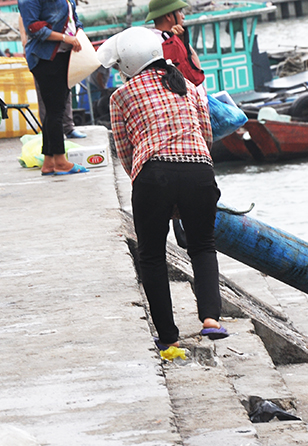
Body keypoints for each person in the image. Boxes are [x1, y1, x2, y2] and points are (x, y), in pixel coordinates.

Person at [105, 27, 227, 349]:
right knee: (202, 245)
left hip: (153, 173)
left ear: (129, 64)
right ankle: (211, 319)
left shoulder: (121, 96)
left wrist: (151, 186)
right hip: (200, 170)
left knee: (152, 255)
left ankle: (168, 337)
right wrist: (193, 173)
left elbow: (125, 151)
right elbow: (206, 136)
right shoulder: (187, 86)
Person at [18, 0, 89, 176]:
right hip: (46, 59)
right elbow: (34, 28)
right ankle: (60, 160)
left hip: (64, 57)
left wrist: (78, 35)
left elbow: (74, 19)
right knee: (55, 110)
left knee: (53, 111)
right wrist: (66, 38)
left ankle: (49, 162)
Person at [17, 13, 86, 140]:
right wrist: (24, 41)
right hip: (43, 50)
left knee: (65, 89)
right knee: (45, 95)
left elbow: (73, 16)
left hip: (64, 50)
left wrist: (78, 31)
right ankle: (51, 132)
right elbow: (25, 18)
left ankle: (68, 127)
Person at [146, 0, 205, 89]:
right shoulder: (166, 42)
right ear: (169, 16)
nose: (183, 16)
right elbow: (194, 76)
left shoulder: (153, 38)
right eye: (180, 11)